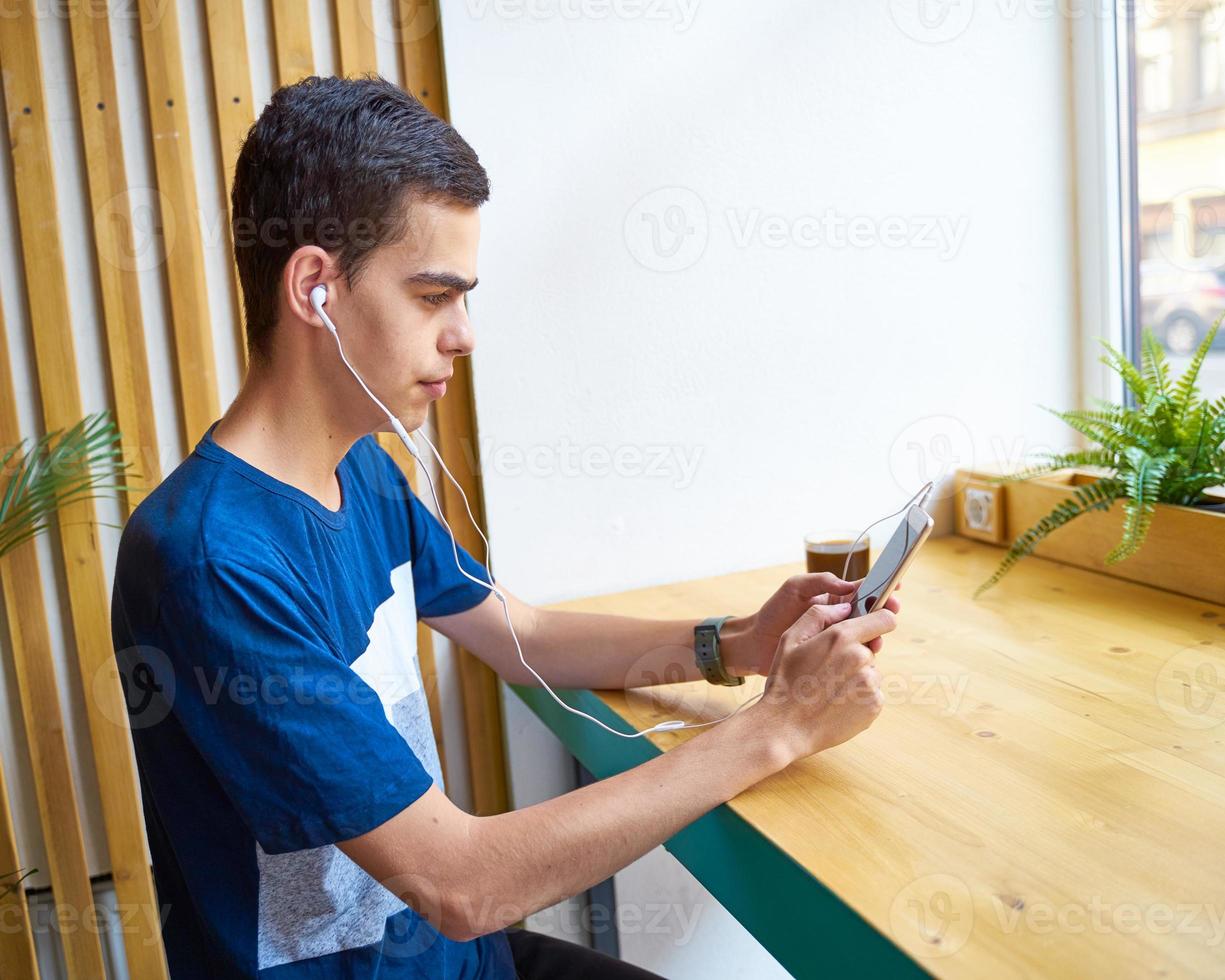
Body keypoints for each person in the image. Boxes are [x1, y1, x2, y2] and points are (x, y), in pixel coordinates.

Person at [110, 75, 900, 979]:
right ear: (315, 289)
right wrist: (778, 729)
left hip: (462, 961)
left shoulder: (360, 468)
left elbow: (518, 634)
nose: (465, 334)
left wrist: (737, 643)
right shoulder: (209, 560)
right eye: (432, 297)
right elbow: (461, 884)